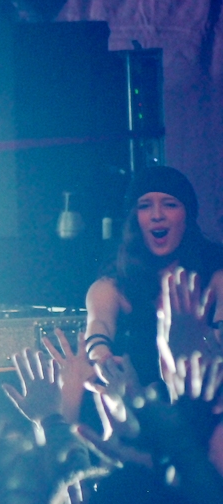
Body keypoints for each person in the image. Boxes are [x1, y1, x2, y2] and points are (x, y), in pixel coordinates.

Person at [85, 166, 223, 387]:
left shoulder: (216, 274)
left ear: (187, 215)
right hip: (139, 401)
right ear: (134, 218)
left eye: (170, 204)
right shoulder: (112, 286)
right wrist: (101, 356)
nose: (157, 215)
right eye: (145, 206)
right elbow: (99, 323)